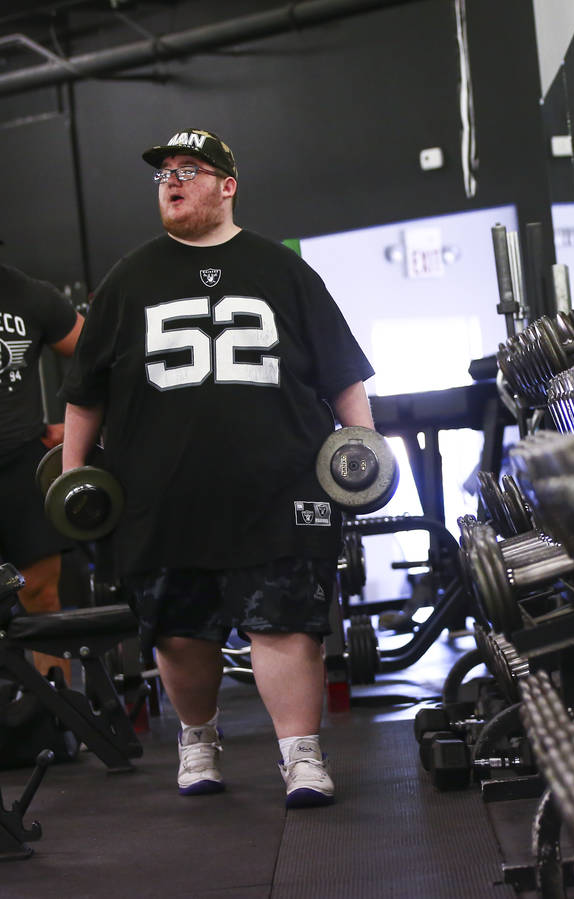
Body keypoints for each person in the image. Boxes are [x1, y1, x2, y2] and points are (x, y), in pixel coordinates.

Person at [58, 128, 376, 809]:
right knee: (178, 629)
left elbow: (343, 374)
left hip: (277, 485)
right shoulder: (128, 278)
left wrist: (363, 447)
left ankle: (302, 756)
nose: (172, 181)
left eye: (189, 170)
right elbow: (85, 391)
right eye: (164, 173)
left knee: (287, 622)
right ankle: (198, 740)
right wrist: (73, 474)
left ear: (227, 186)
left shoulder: (284, 271)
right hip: (163, 494)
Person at [0, 260, 84, 683]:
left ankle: (59, 722)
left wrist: (79, 423)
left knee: (41, 596)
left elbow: (96, 352)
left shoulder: (28, 293)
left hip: (18, 463)